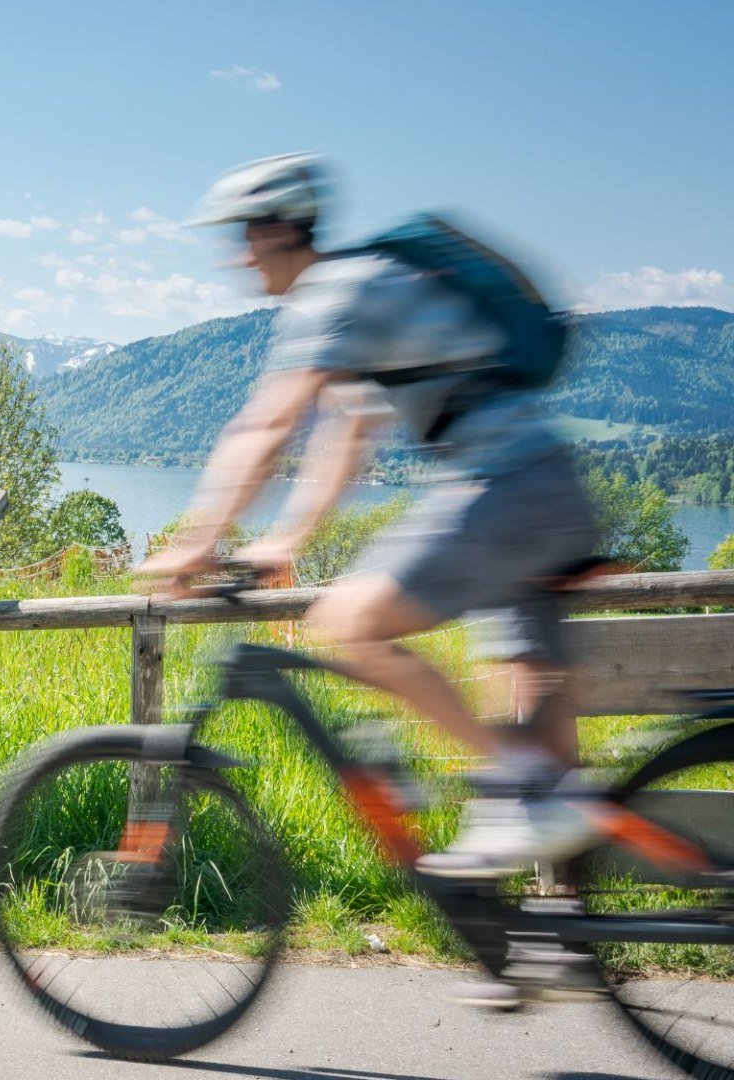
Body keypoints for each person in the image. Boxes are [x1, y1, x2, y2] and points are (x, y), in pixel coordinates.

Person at [138, 154, 602, 888]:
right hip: (540, 488)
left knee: (348, 625)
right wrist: (286, 538)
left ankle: (523, 789)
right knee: (526, 688)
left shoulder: (333, 292)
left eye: (246, 235)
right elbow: (344, 436)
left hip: (507, 485)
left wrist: (193, 544)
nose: (237, 254)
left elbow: (268, 426)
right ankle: (553, 936)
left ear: (282, 228)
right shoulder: (367, 290)